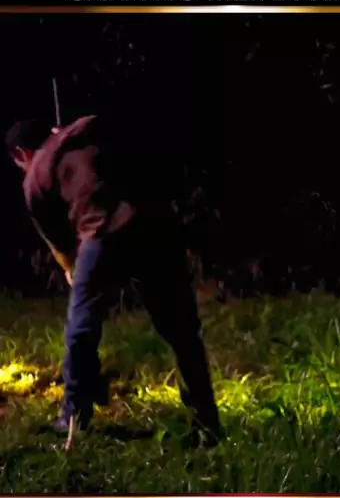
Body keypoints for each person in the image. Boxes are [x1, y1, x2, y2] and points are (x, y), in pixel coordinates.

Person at [5, 115, 222, 450]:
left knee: (81, 330)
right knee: (181, 330)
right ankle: (206, 420)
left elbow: (59, 244)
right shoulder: (90, 133)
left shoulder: (35, 175)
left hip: (103, 233)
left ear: (22, 153)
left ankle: (74, 419)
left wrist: (73, 270)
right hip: (154, 222)